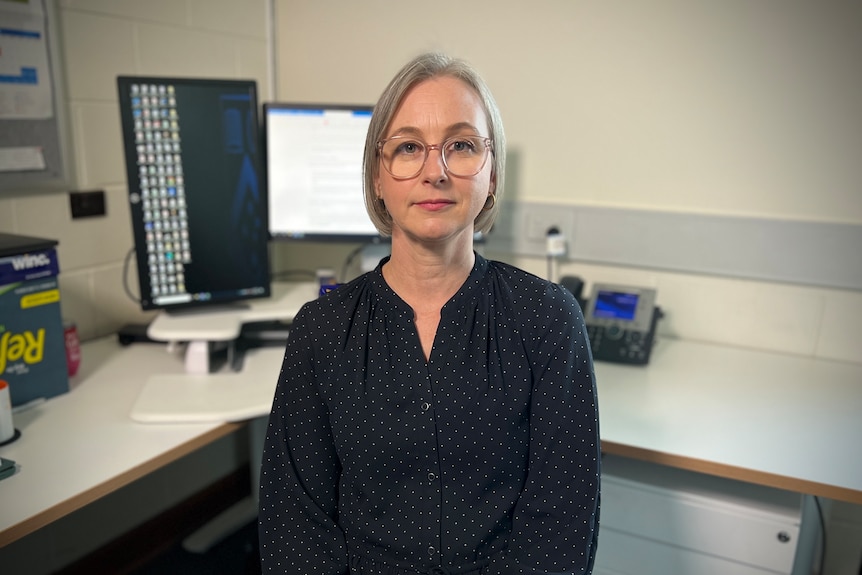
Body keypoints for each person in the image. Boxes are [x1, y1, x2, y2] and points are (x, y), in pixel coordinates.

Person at [258, 52, 601, 575]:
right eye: (409, 147)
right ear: (378, 175)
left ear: (490, 173)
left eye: (462, 146)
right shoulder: (321, 332)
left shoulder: (547, 320)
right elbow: (294, 527)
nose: (434, 172)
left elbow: (559, 529)